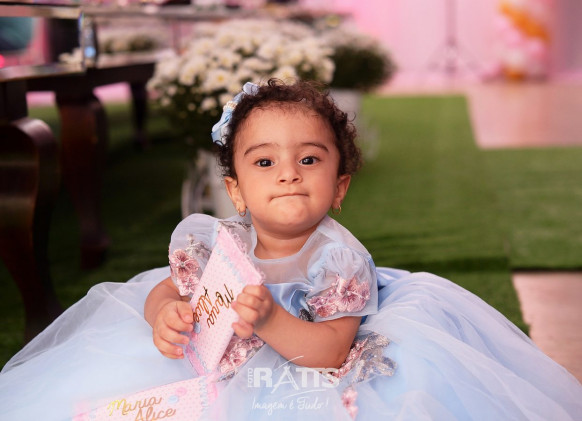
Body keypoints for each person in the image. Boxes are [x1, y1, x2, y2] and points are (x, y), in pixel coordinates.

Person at [1, 79, 581, 421]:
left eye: (308, 159)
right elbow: (168, 286)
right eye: (264, 162)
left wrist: (271, 320)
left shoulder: (337, 260)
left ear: (340, 185)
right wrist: (164, 314)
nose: (288, 174)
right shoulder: (220, 240)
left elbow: (331, 352)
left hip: (306, 371)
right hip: (216, 360)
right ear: (235, 190)